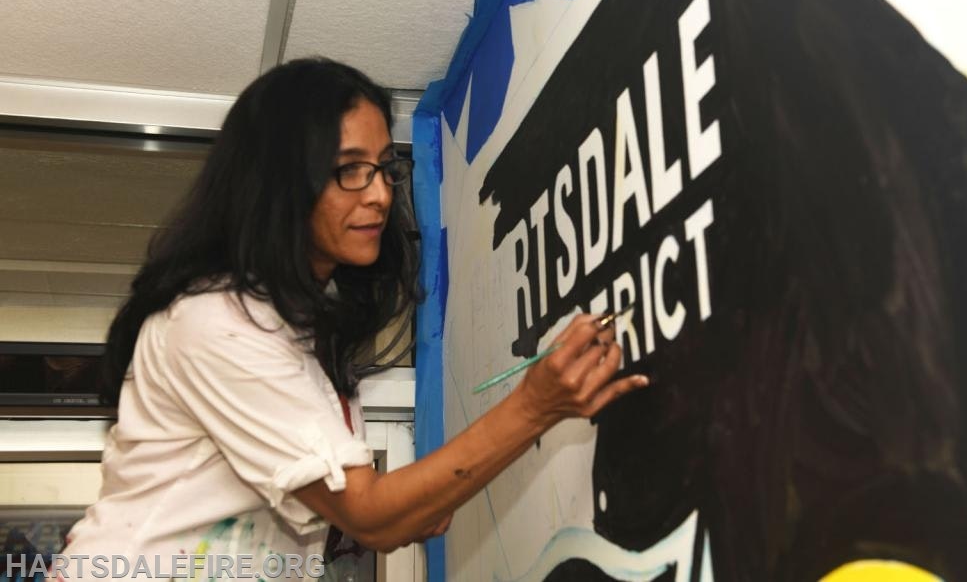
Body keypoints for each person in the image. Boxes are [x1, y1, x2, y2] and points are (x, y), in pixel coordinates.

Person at [58, 57, 648, 580]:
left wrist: (408, 505)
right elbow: (369, 514)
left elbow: (356, 511)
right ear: (282, 184)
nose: (380, 195)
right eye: (349, 169)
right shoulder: (215, 321)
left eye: (384, 168)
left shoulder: (299, 335)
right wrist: (535, 405)